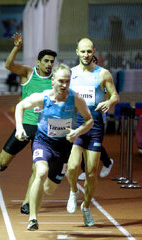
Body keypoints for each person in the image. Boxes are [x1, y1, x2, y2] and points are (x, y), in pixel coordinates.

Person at [15, 63, 93, 230]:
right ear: (53, 81)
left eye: (67, 81)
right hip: (43, 142)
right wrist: (20, 128)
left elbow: (89, 120)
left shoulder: (75, 98)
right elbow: (20, 106)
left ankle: (40, 195)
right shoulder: (43, 97)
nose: (64, 85)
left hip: (64, 147)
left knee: (49, 189)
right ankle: (33, 219)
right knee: (41, 172)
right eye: (60, 81)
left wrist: (77, 131)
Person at [0, 32, 57, 214]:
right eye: (46, 61)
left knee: (37, 168)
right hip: (25, 126)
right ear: (38, 62)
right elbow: (8, 65)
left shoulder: (56, 81)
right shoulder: (28, 73)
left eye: (52, 61)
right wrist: (17, 47)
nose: (49, 64)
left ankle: (27, 203)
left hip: (44, 129)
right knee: (2, 161)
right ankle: (5, 161)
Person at [66, 38, 119, 227]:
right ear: (77, 52)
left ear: (93, 51)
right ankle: (73, 191)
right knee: (72, 168)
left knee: (91, 172)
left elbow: (115, 95)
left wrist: (109, 102)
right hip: (77, 125)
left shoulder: (103, 74)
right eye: (83, 51)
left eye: (89, 51)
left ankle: (86, 208)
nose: (86, 55)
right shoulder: (71, 74)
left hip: (95, 127)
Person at [78, 56, 114, 180]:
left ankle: (107, 162)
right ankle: (84, 169)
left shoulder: (102, 77)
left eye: (94, 63)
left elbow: (111, 96)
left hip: (98, 117)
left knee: (94, 144)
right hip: (82, 116)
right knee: (82, 142)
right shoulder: (80, 78)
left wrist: (108, 104)